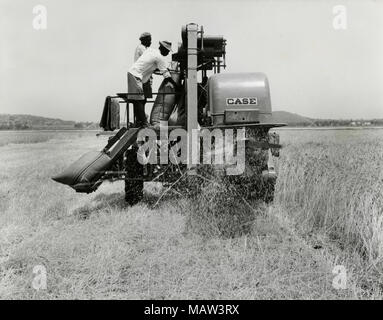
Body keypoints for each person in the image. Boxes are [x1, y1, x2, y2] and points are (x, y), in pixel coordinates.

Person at [128, 40, 177, 127]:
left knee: (142, 100)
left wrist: (162, 70)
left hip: (134, 74)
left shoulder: (151, 51)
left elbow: (150, 66)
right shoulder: (159, 57)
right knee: (138, 100)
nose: (168, 53)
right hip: (136, 75)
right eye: (167, 51)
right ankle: (144, 123)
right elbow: (167, 77)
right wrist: (176, 86)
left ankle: (140, 122)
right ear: (163, 49)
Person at [134, 32, 153, 102]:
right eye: (149, 40)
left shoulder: (142, 48)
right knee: (142, 99)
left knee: (143, 98)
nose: (150, 42)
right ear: (144, 40)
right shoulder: (141, 48)